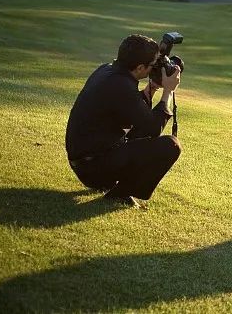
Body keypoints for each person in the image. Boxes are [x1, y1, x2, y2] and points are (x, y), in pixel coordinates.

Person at [66, 34, 182, 208]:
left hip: (86, 161)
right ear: (140, 67)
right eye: (152, 65)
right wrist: (168, 91)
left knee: (142, 131)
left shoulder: (108, 71)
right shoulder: (122, 86)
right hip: (93, 168)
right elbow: (152, 128)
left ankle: (113, 183)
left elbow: (132, 109)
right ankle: (119, 195)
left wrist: (152, 87)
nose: (154, 69)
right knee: (171, 146)